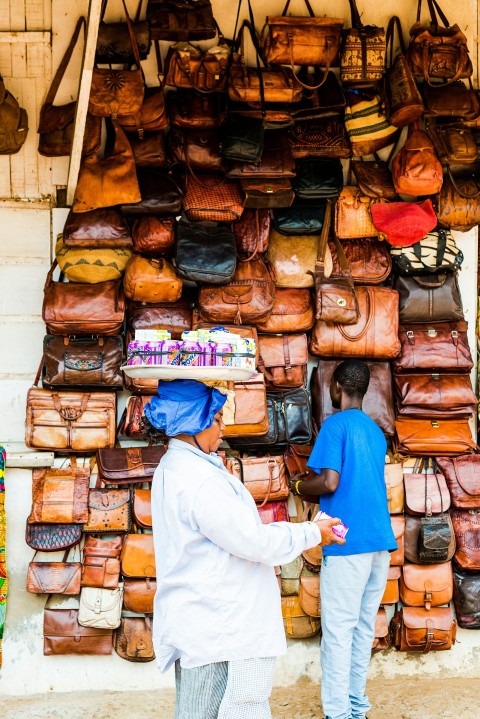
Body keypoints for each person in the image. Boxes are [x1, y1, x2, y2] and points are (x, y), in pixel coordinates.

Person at [145, 379, 346, 719]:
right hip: (217, 631)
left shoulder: (178, 467)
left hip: (208, 624)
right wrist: (312, 533)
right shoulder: (200, 480)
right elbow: (253, 542)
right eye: (218, 418)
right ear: (197, 421)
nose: (223, 428)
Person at [289, 359, 397, 719]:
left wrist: (299, 485)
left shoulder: (335, 426)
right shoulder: (376, 432)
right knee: (363, 629)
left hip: (346, 542)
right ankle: (356, 707)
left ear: (336, 388)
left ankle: (337, 714)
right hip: (379, 541)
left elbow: (331, 483)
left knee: (338, 631)